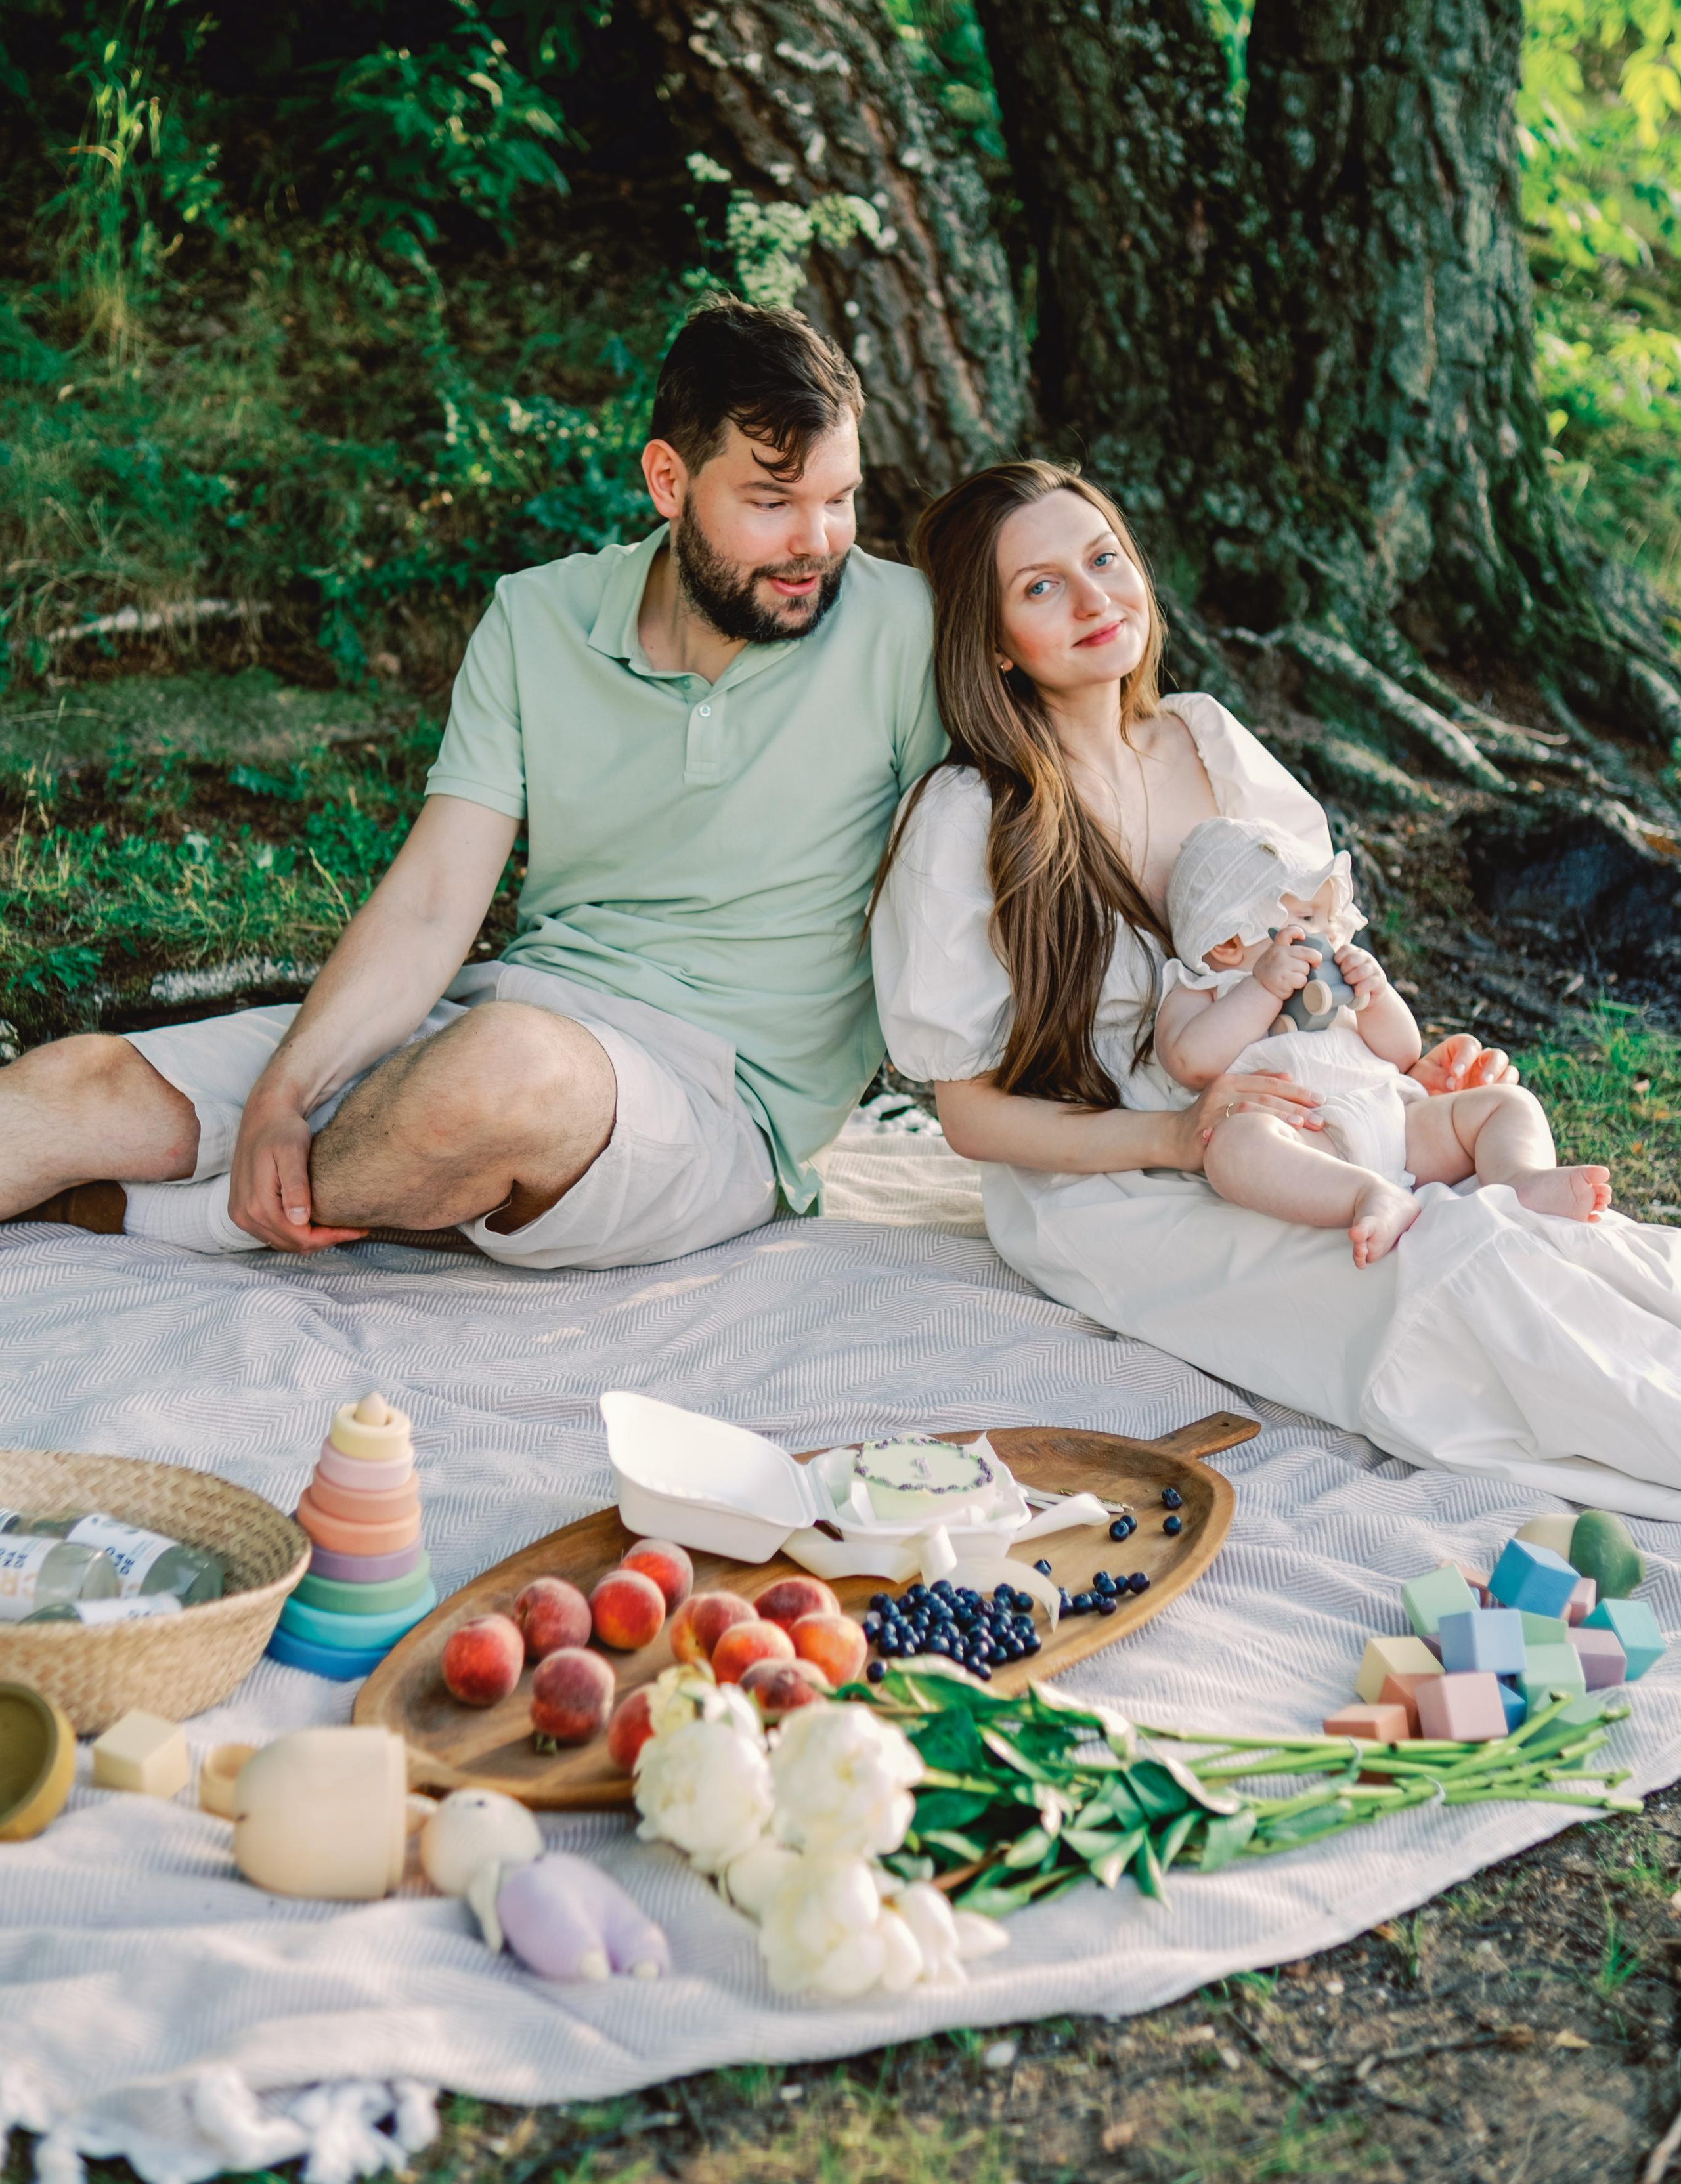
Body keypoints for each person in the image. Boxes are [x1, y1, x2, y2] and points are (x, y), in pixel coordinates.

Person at [0, 298, 944, 1271]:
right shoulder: (539, 618)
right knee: (78, 1084)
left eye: (839, 498)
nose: (818, 542)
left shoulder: (908, 631)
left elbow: (1018, 855)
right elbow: (432, 906)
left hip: (717, 1112)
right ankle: (264, 1168)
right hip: (506, 1012)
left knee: (505, 1072)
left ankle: (158, 1218)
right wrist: (283, 1094)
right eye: (772, 502)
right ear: (669, 479)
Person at [870, 457, 1681, 1512]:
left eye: (1104, 558)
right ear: (991, 644)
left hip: (1297, 1118)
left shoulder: (1205, 739)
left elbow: (1321, 972)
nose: (1093, 597)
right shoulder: (972, 818)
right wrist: (1176, 1135)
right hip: (1122, 1178)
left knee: (1550, 1238)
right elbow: (971, 1119)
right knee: (1445, 1271)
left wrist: (1410, 1067)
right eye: (1040, 587)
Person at [1153, 815, 1611, 1266]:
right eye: (1310, 917)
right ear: (1230, 942)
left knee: (1508, 1103)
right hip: (1308, 1140)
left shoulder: (1336, 980)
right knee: (1232, 1148)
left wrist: (1376, 995)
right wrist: (1262, 988)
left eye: (1331, 920)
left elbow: (1404, 1053)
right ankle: (1368, 1195)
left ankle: (1520, 1180)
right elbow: (1189, 1061)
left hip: (1398, 1119)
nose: (1331, 934)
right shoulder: (1203, 990)